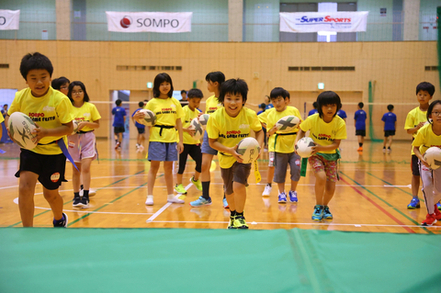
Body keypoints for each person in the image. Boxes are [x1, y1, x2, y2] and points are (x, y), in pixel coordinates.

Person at [7, 52, 73, 227]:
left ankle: (59, 218)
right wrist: (11, 129)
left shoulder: (60, 100)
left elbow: (69, 128)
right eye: (33, 78)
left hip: (54, 151)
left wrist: (46, 133)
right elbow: (10, 117)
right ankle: (28, 231)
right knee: (25, 188)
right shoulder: (20, 97)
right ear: (26, 80)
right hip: (31, 150)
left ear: (50, 77)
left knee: (50, 194)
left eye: (43, 77)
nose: (39, 82)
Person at [206, 78, 264, 229]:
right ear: (222, 99)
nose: (233, 103)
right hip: (226, 157)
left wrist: (259, 147)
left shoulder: (249, 114)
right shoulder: (216, 118)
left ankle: (240, 215)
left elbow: (259, 131)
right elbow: (212, 142)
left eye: (237, 99)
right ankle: (233, 215)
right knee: (229, 190)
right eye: (229, 98)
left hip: (243, 159)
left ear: (243, 100)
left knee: (238, 186)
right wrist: (230, 151)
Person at [134, 73, 184, 206]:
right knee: (154, 167)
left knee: (169, 168)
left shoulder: (175, 102)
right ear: (157, 86)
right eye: (162, 84)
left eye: (167, 83)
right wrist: (136, 117)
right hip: (156, 138)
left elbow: (179, 122)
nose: (165, 86)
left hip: (172, 138)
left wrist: (181, 141)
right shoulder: (151, 103)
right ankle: (149, 196)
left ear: (171, 85)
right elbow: (144, 119)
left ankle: (171, 196)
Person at [296, 91, 347, 221]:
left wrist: (321, 147)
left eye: (333, 106)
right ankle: (318, 207)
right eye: (326, 106)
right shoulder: (313, 119)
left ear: (338, 106)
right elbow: (302, 129)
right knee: (321, 176)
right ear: (320, 107)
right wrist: (297, 144)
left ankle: (325, 207)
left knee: (330, 187)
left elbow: (336, 144)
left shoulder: (340, 123)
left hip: (331, 156)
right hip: (315, 154)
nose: (329, 109)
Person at [190, 71, 227, 207]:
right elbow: (208, 118)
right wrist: (202, 118)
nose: (207, 85)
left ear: (215, 83)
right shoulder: (210, 100)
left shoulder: (226, 98)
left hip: (223, 135)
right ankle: (205, 197)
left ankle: (226, 197)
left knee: (225, 167)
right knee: (204, 165)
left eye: (208, 82)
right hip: (208, 135)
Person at [262, 87, 302, 203]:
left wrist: (298, 141)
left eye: (279, 100)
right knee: (280, 172)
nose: (276, 103)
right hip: (279, 147)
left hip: (294, 148)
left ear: (286, 100)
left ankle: (293, 191)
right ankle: (282, 193)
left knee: (296, 170)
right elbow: (268, 133)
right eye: (274, 101)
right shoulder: (270, 115)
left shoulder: (293, 110)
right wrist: (273, 130)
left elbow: (301, 127)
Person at [67, 81, 101, 208]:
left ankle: (85, 195)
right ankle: (76, 196)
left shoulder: (90, 107)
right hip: (72, 139)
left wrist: (86, 123)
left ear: (84, 92)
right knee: (76, 170)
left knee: (86, 168)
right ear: (70, 94)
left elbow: (97, 124)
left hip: (87, 138)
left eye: (80, 91)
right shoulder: (67, 107)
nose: (77, 93)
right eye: (74, 91)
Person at [405, 82, 435, 209]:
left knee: (434, 176)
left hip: (434, 150)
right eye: (420, 94)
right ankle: (415, 198)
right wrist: (417, 127)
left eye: (425, 95)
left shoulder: (435, 112)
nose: (422, 97)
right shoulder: (412, 113)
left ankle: (436, 199)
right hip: (417, 151)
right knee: (415, 175)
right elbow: (408, 130)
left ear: (431, 97)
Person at [411, 100, 441, 226]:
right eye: (436, 112)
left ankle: (433, 206)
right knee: (427, 187)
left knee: (439, 190)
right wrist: (422, 159)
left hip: (440, 162)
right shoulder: (424, 130)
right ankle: (430, 215)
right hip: (425, 161)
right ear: (430, 115)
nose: (439, 115)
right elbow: (415, 148)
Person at [175, 88, 203, 195]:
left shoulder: (198, 113)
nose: (196, 104)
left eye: (198, 102)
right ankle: (178, 185)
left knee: (200, 162)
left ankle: (195, 179)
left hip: (194, 143)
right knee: (182, 164)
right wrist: (187, 130)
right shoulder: (183, 111)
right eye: (193, 101)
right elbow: (176, 125)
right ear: (188, 99)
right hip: (183, 142)